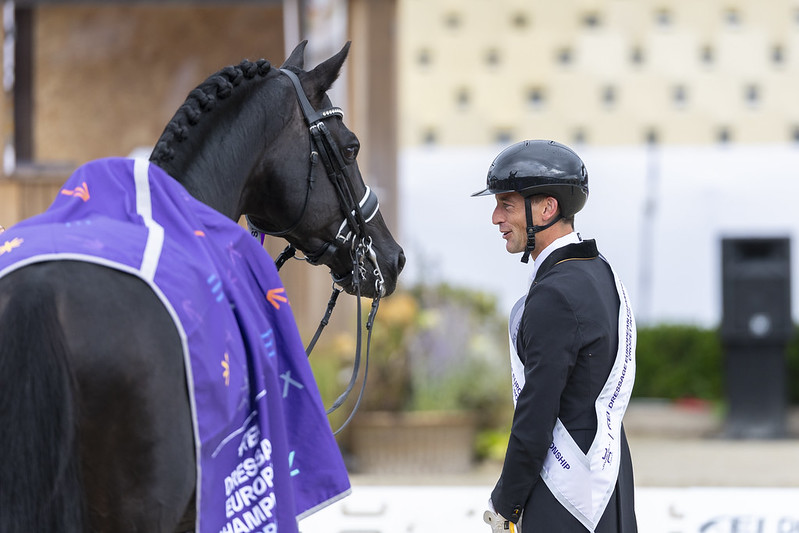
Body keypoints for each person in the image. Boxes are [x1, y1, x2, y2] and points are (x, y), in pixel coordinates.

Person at [474, 140, 638, 533]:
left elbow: (537, 408)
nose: (496, 217)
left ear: (547, 208)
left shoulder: (555, 293)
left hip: (566, 492)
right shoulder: (597, 271)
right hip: (608, 479)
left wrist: (506, 501)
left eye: (507, 205)